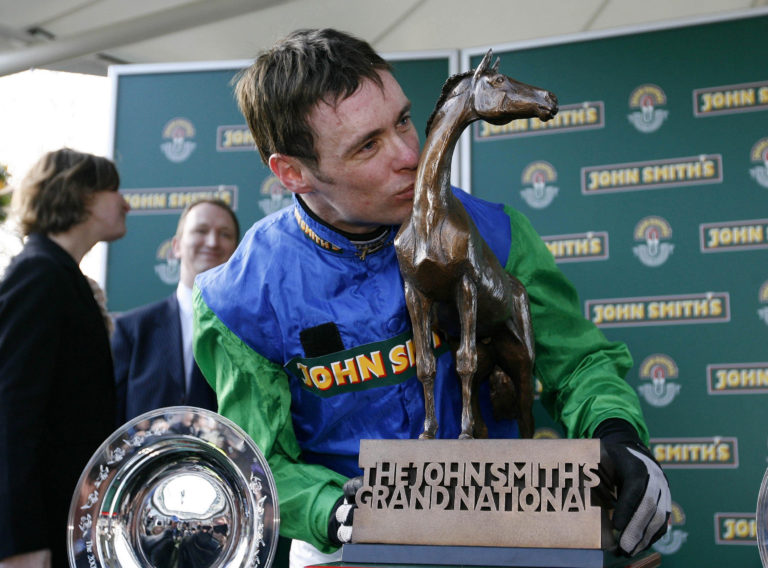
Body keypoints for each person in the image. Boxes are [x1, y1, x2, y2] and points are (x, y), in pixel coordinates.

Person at [193, 29, 671, 567]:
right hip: (345, 549)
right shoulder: (242, 297)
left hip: (506, 530)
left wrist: (617, 432)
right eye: (367, 145)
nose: (408, 155)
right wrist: (334, 509)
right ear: (293, 172)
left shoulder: (494, 233)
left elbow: (580, 363)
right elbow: (259, 461)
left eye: (402, 120)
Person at [0, 148, 128, 568]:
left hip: (66, 526)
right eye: (114, 190)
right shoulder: (39, 274)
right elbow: (11, 415)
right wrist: (19, 541)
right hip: (38, 538)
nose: (125, 203)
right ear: (82, 195)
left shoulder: (59, 275)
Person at [111, 198, 239, 425]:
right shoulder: (132, 330)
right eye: (201, 231)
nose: (212, 242)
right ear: (176, 246)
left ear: (236, 252)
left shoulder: (248, 332)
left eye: (225, 234)